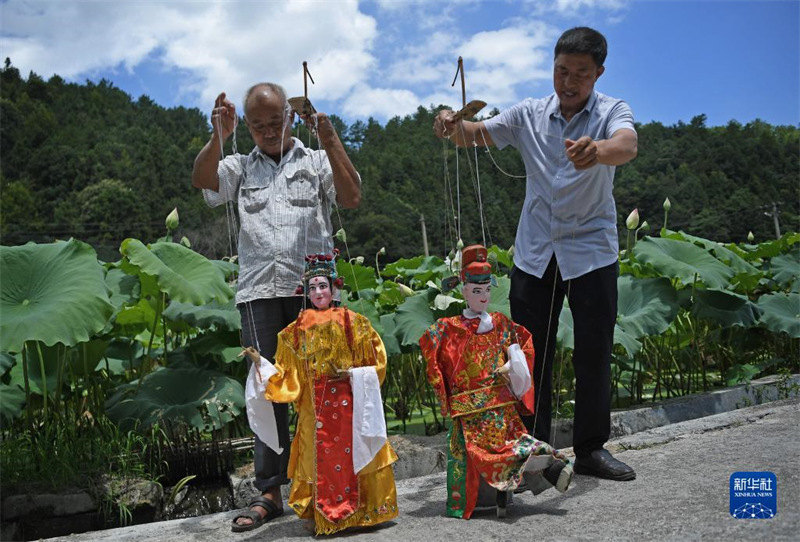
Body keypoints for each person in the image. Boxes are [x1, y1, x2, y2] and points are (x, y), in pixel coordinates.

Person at [432, 27, 638, 481]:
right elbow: (473, 135)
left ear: (598, 73)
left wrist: (598, 150)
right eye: (561, 70)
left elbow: (627, 145)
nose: (568, 82)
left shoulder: (611, 112)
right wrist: (450, 121)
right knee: (527, 355)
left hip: (591, 252)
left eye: (580, 74)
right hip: (536, 253)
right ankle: (532, 450)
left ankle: (590, 449)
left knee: (594, 351)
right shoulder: (529, 113)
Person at [191, 82, 362, 531]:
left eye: (275, 121)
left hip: (312, 292)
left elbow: (351, 196)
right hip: (257, 294)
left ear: (291, 116)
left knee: (324, 386)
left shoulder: (315, 160)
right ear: (247, 125)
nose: (268, 131)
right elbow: (203, 180)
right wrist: (218, 135)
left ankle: (330, 484)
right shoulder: (238, 166)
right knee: (267, 391)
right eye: (258, 124)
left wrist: (332, 140)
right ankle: (269, 492)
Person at [242, 250, 398, 535]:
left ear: (334, 286)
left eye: (322, 285)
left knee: (355, 454)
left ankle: (363, 513)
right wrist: (261, 365)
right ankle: (324, 514)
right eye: (312, 288)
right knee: (317, 458)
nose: (318, 292)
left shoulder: (355, 323)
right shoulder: (294, 332)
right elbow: (287, 378)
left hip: (349, 406)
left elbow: (376, 364)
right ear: (306, 292)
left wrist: (352, 375)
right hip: (315, 412)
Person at [419, 245, 572, 519]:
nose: (483, 297)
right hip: (469, 412)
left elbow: (524, 345)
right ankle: (545, 469)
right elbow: (430, 351)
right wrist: (448, 389)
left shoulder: (501, 323)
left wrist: (513, 366)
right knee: (485, 450)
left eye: (487, 290)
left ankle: (545, 467)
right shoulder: (447, 328)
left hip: (501, 405)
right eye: (476, 291)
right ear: (463, 290)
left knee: (513, 441)